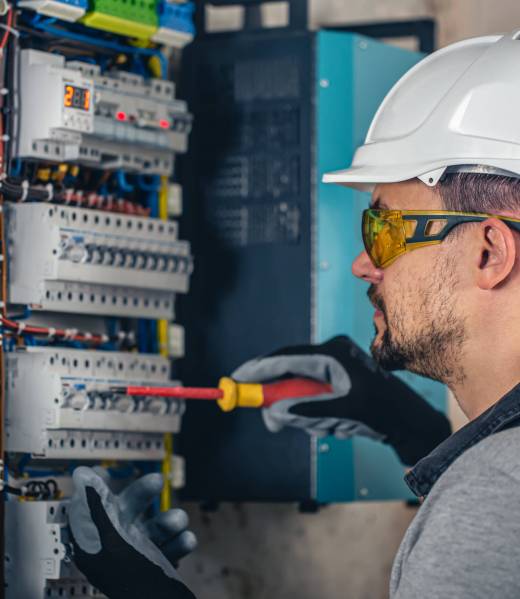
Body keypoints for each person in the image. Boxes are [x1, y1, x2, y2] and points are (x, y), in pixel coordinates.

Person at [68, 29, 520, 599]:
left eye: (382, 229)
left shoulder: (496, 493)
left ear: (489, 252)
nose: (362, 264)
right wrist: (412, 431)